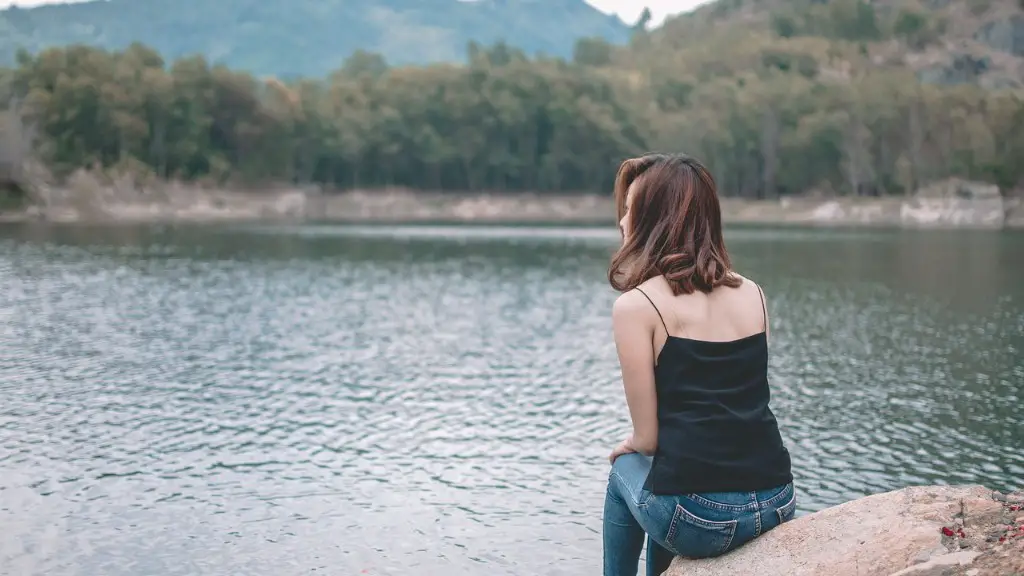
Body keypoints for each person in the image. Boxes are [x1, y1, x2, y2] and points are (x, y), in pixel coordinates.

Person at [603, 153, 796, 576]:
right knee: (666, 481)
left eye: (631, 209)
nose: (622, 221)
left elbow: (648, 440)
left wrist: (629, 448)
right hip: (777, 500)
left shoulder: (637, 307)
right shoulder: (755, 294)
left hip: (704, 519)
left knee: (625, 473)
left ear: (656, 219)